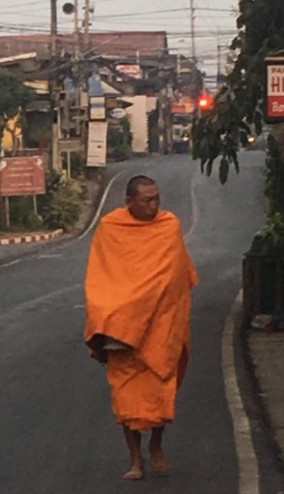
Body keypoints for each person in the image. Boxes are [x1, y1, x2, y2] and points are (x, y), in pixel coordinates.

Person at [83, 175, 199, 481]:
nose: (153, 205)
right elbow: (102, 278)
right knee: (127, 397)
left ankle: (157, 444)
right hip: (123, 329)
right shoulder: (111, 228)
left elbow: (177, 277)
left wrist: (153, 307)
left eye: (156, 198)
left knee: (160, 389)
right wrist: (111, 317)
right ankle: (135, 459)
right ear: (129, 202)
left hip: (161, 325)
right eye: (146, 200)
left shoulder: (168, 225)